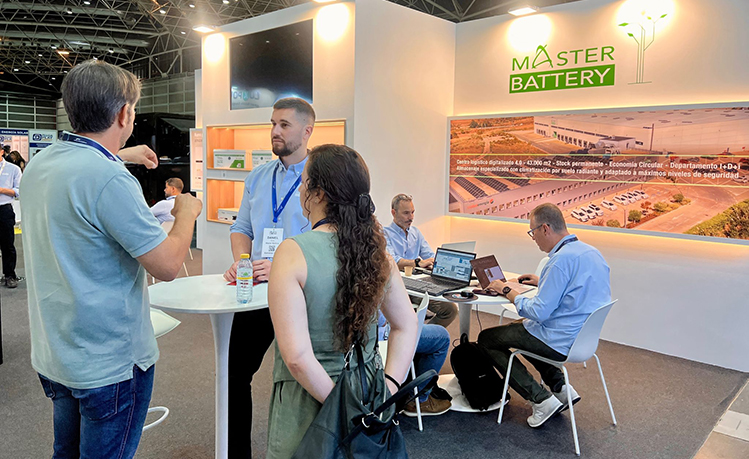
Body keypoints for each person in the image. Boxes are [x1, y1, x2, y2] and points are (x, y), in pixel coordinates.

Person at [20, 59, 202, 459]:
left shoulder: (41, 163)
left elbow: (83, 176)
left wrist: (121, 153)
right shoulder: (110, 179)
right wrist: (186, 213)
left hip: (57, 353)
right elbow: (167, 265)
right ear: (124, 114)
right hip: (109, 363)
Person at [266, 144, 418, 458]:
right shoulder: (378, 252)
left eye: (303, 182)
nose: (300, 190)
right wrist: (389, 386)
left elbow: (297, 358)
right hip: (368, 392)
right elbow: (407, 325)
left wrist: (342, 410)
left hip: (310, 398)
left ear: (318, 194)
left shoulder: (292, 253)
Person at [222, 97, 315, 458]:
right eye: (273, 123)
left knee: (302, 374)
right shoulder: (258, 177)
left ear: (307, 131)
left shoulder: (321, 179)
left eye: (284, 125)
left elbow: (326, 239)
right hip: (258, 292)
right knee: (234, 374)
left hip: (304, 294)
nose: (275, 131)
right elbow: (241, 228)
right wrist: (243, 262)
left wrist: (281, 266)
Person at [477, 203, 611, 428]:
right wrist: (543, 283)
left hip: (558, 340)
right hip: (582, 338)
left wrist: (506, 290)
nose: (534, 238)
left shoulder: (558, 261)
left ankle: (540, 400)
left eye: (533, 232)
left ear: (545, 228)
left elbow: (538, 312)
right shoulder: (591, 253)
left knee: (488, 338)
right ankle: (561, 388)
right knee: (522, 328)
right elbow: (579, 291)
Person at [383, 193, 458, 327]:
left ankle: (422, 335)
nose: (411, 217)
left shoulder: (415, 233)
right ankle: (417, 335)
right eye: (406, 213)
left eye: (412, 212)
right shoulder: (384, 233)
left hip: (418, 283)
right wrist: (417, 263)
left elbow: (429, 254)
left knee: (450, 309)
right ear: (394, 213)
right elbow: (393, 262)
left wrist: (435, 263)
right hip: (397, 286)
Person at [378, 313, 452, 416]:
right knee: (442, 337)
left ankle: (416, 393)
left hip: (372, 336)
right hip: (382, 336)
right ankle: (419, 400)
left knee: (447, 311)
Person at [0, 149, 22, 288]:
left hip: (4, 209)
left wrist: (2, 190)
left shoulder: (13, 169)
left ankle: (10, 275)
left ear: (2, 151)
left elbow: (18, 190)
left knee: (7, 244)